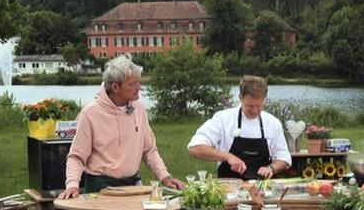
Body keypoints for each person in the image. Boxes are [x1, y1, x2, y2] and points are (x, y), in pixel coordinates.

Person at [59, 54, 184, 199]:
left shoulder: (139, 109)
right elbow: (77, 156)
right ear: (115, 87)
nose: (139, 87)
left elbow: (149, 150)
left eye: (138, 82)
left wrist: (165, 176)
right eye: (132, 84)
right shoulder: (90, 113)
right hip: (100, 188)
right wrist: (72, 185)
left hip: (132, 186)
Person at [188, 76, 291, 180]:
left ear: (264, 99)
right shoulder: (223, 119)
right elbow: (194, 148)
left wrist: (271, 168)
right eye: (250, 106)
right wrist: (228, 157)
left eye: (259, 106)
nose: (255, 111)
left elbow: (284, 158)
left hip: (261, 189)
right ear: (240, 98)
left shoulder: (273, 123)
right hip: (229, 188)